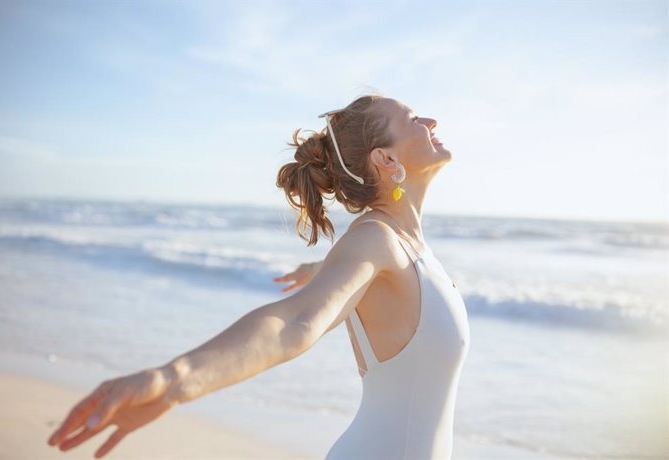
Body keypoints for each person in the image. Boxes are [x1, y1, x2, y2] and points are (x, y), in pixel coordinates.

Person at [46, 95, 470, 459]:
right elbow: (295, 322)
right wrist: (172, 380)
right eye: (413, 119)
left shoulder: (402, 247)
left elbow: (365, 280)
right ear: (385, 158)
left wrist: (320, 270)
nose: (430, 122)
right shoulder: (375, 240)